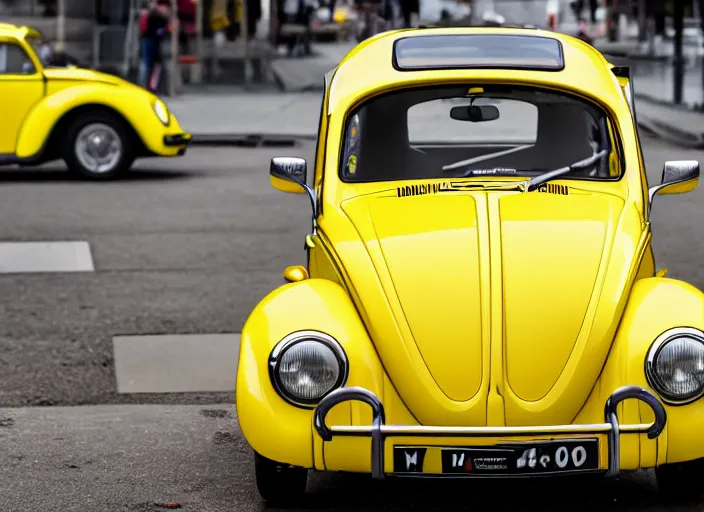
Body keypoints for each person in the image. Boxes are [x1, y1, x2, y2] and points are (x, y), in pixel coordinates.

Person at [138, 0, 172, 92]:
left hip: (153, 41)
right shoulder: (153, 16)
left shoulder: (156, 16)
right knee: (147, 64)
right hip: (150, 41)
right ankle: (146, 86)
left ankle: (149, 86)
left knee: (151, 64)